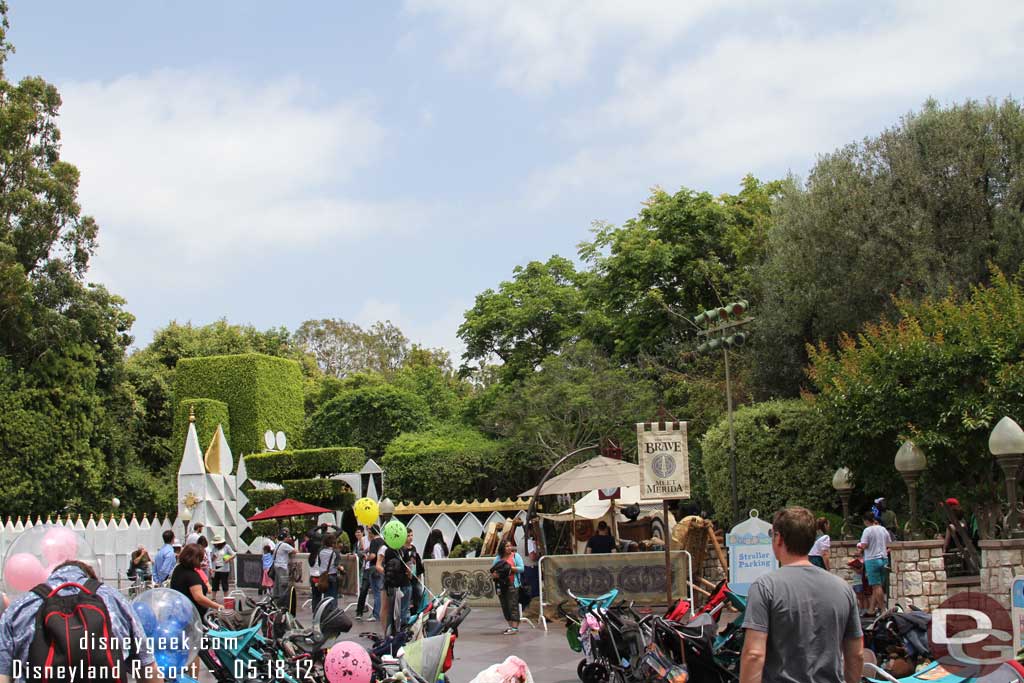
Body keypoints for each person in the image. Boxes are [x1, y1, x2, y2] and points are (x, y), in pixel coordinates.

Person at [740, 507, 863, 683]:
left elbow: (754, 654)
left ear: (779, 538)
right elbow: (856, 654)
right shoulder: (843, 589)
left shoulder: (765, 587)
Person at [0, 560, 163, 683]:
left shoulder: (20, 608)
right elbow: (147, 668)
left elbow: (3, 675)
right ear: (90, 578)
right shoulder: (113, 599)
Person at [171, 543, 224, 619]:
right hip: (194, 616)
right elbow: (199, 598)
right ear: (196, 559)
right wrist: (218, 606)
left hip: (181, 611)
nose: (202, 561)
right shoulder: (191, 575)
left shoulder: (178, 569)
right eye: (201, 559)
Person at [377, 534, 412, 635]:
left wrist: (389, 573)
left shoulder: (399, 550)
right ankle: (391, 634)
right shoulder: (386, 549)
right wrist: (388, 572)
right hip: (393, 583)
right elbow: (378, 565)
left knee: (396, 611)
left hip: (396, 584)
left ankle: (393, 634)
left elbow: (409, 568)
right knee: (393, 609)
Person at [858, 511, 890, 615]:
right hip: (884, 558)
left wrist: (859, 548)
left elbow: (864, 545)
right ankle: (871, 609)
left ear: (866, 521)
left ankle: (883, 609)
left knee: (876, 586)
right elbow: (889, 543)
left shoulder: (867, 530)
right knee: (877, 586)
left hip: (872, 559)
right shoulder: (883, 529)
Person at [491, 540, 524, 635]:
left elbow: (521, 568)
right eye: (507, 546)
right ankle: (510, 626)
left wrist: (509, 568)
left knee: (512, 605)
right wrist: (495, 575)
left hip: (512, 584)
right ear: (502, 548)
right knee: (505, 605)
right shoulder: (498, 558)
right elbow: (493, 570)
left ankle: (515, 627)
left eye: (510, 546)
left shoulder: (515, 556)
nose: (509, 548)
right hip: (501, 585)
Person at [356, 526, 384, 623]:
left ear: (372, 533)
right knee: (378, 592)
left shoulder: (374, 541)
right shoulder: (382, 541)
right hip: (380, 568)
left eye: (369, 532)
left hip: (372, 568)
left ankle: (374, 614)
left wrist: (366, 558)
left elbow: (373, 556)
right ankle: (378, 613)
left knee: (372, 591)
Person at [311, 533, 340, 610]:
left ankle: (325, 611)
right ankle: (332, 612)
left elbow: (320, 563)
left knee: (326, 596)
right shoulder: (335, 552)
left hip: (323, 576)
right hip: (332, 575)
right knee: (333, 596)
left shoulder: (320, 551)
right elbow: (337, 565)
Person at [271, 531, 297, 611]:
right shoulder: (284, 545)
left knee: (277, 586)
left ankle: (276, 603)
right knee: (283, 585)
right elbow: (295, 551)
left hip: (276, 566)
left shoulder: (277, 545)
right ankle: (282, 604)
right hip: (282, 567)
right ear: (285, 538)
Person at [405, 532, 425, 617]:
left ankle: (418, 613)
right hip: (406, 577)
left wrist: (419, 575)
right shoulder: (402, 549)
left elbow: (417, 562)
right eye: (408, 536)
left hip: (415, 576)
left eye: (411, 535)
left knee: (418, 595)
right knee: (408, 597)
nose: (410, 537)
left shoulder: (413, 548)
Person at [210, 535, 234, 602]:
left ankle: (226, 598)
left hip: (224, 568)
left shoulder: (226, 547)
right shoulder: (214, 548)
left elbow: (233, 554)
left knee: (224, 583)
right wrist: (213, 557)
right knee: (215, 583)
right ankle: (213, 598)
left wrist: (228, 559)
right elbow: (211, 558)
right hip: (216, 567)